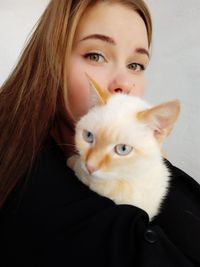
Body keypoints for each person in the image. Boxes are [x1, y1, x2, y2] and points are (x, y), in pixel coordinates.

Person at [0, 0, 200, 266]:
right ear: (51, 59)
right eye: (96, 56)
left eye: (136, 65)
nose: (123, 84)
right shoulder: (45, 196)